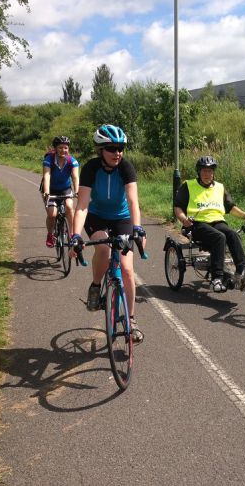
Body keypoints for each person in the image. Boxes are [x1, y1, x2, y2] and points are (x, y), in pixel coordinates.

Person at [70, 124, 146, 343]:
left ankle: (131, 320)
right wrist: (75, 235)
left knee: (128, 269)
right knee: (103, 248)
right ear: (100, 150)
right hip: (97, 217)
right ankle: (96, 286)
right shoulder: (91, 168)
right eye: (111, 148)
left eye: (120, 148)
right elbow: (82, 205)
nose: (117, 153)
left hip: (122, 218)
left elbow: (133, 201)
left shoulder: (126, 167)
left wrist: (138, 228)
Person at [173, 155, 245, 293]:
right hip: (197, 223)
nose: (207, 174)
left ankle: (242, 269)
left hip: (217, 221)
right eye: (204, 171)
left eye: (210, 171)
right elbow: (178, 207)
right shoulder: (189, 185)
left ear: (213, 172)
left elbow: (230, 207)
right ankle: (217, 278)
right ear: (199, 171)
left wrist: (244, 215)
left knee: (232, 234)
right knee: (219, 237)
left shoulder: (219, 187)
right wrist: (184, 220)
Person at [42, 136, 79, 248]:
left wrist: (77, 191)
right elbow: (47, 176)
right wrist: (47, 192)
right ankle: (50, 234)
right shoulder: (48, 160)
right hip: (51, 189)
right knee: (52, 214)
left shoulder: (72, 161)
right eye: (60, 148)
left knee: (69, 207)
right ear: (55, 149)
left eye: (66, 148)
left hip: (65, 189)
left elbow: (75, 177)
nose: (63, 150)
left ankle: (72, 234)